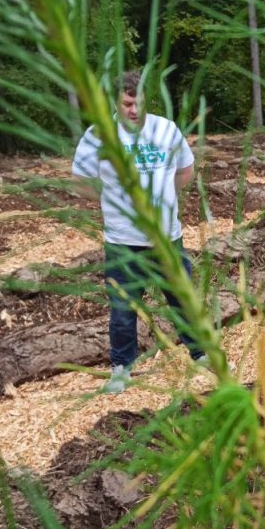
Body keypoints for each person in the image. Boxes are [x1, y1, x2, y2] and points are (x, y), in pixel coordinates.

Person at [72, 70, 204, 393]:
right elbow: (80, 181)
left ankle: (201, 354)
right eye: (128, 103)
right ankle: (122, 367)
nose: (135, 110)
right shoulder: (99, 134)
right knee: (122, 308)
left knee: (183, 298)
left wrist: (164, 198)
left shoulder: (165, 129)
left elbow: (185, 170)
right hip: (122, 241)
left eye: (140, 102)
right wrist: (111, 200)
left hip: (166, 238)